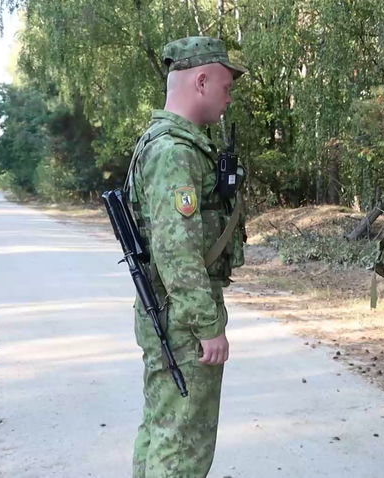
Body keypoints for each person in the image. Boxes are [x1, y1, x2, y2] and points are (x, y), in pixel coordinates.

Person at [125, 36, 247, 478]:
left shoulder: (168, 143)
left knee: (162, 429)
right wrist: (207, 325)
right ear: (200, 80)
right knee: (182, 446)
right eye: (226, 86)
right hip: (183, 322)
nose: (228, 98)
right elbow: (176, 252)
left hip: (170, 314)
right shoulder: (175, 151)